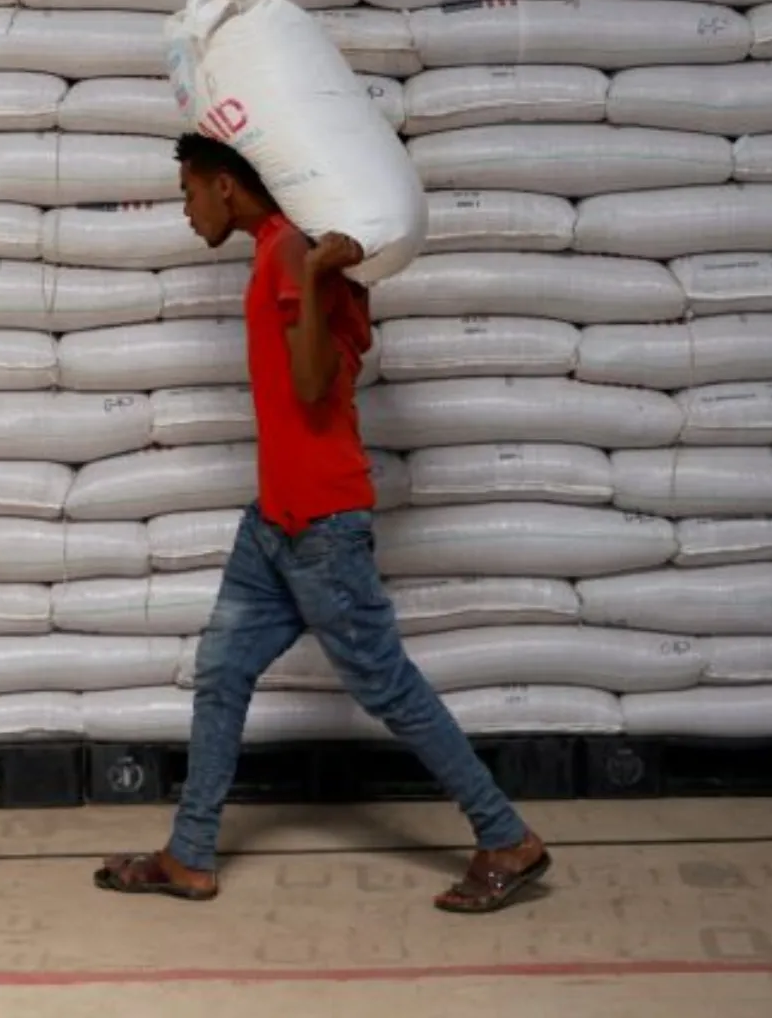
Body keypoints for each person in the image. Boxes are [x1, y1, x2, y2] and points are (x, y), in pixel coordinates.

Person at [94, 132, 551, 914]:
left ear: (226, 188)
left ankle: (505, 835)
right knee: (222, 673)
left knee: (388, 687)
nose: (185, 209)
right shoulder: (289, 252)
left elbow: (311, 386)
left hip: (321, 524)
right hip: (275, 521)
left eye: (187, 191)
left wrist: (308, 275)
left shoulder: (288, 254)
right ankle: (190, 854)